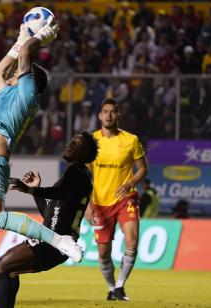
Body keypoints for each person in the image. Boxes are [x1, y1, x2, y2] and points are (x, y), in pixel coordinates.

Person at [0, 23, 83, 308]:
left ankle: (60, 241)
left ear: (27, 80)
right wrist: (17, 42)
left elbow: (26, 54)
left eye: (19, 73)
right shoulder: (4, 93)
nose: (13, 75)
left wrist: (36, 38)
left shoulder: (25, 96)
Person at [0, 131, 99, 308]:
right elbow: (49, 214)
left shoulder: (76, 172)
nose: (70, 144)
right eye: (71, 140)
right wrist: (36, 190)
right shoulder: (75, 177)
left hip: (55, 241)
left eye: (77, 143)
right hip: (57, 243)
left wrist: (30, 190)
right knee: (9, 270)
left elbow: (58, 193)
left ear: (85, 153)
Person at [85, 98, 148, 301]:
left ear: (118, 115)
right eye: (105, 111)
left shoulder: (131, 140)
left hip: (125, 198)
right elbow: (83, 177)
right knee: (103, 253)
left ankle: (120, 286)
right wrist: (86, 205)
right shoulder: (91, 142)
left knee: (132, 240)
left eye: (113, 111)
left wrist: (130, 184)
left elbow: (142, 169)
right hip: (100, 203)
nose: (109, 115)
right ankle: (112, 288)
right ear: (99, 115)